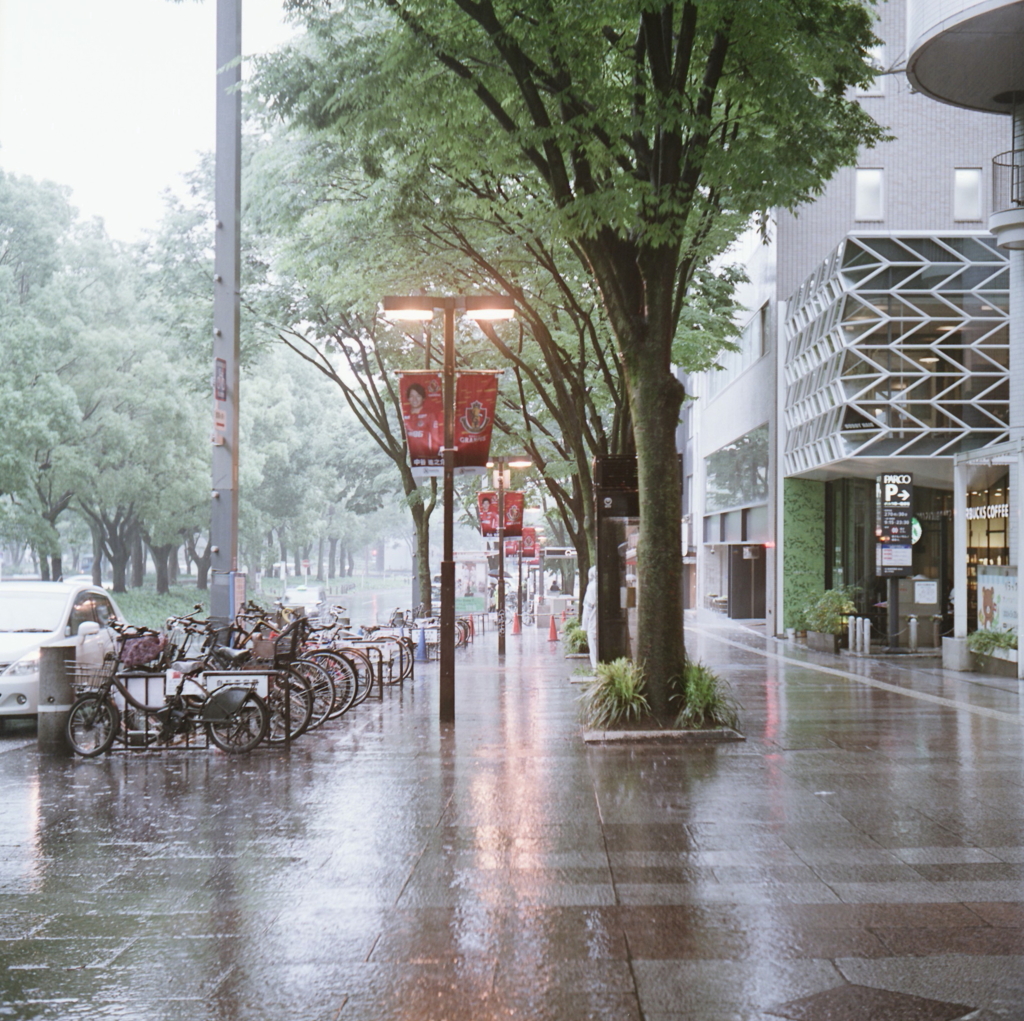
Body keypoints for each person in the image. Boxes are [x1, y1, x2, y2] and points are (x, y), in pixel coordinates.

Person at [403, 382, 442, 459]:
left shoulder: (429, 415)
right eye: (411, 396)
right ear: (408, 398)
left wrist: (435, 455)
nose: (414, 399)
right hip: (413, 459)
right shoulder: (405, 416)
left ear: (423, 398)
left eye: (418, 396)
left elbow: (435, 437)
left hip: (428, 457)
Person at [581, 565, 598, 669]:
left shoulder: (591, 587)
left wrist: (584, 626)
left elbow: (587, 607)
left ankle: (596, 667)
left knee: (592, 640)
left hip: (593, 619)